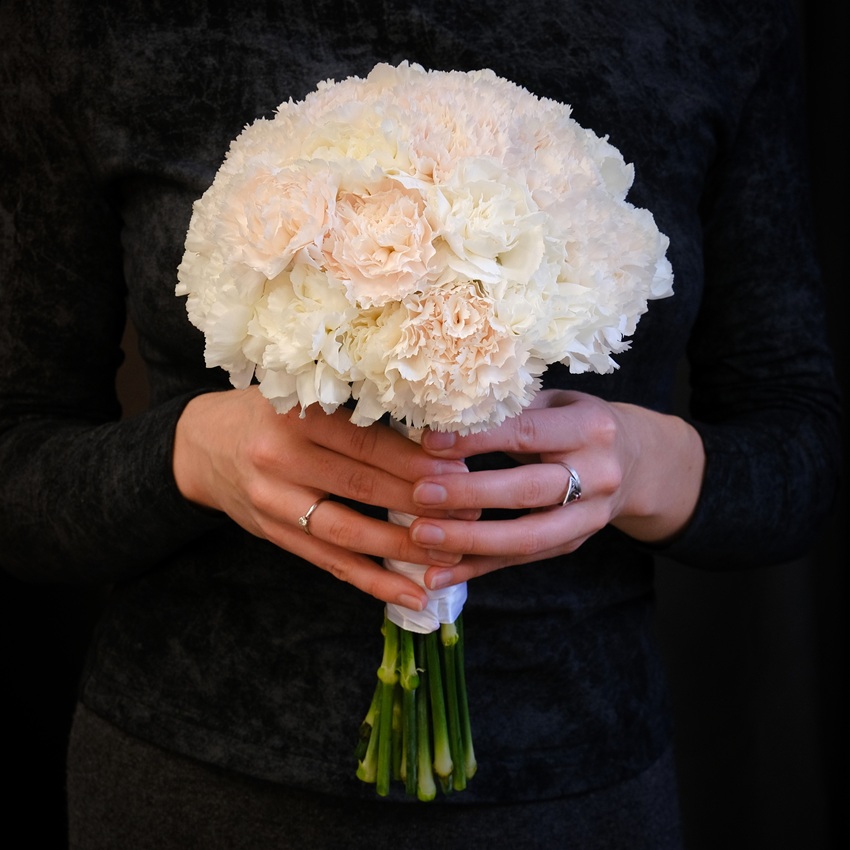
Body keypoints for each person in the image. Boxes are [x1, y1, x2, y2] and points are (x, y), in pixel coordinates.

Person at [0, 1, 841, 848]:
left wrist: (646, 465)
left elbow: (799, 446)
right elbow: (16, 462)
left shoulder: (718, 19)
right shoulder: (93, 21)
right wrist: (187, 456)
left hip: (578, 789)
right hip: (192, 782)